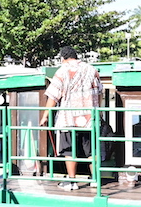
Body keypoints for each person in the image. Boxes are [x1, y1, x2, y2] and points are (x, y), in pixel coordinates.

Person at [40, 47, 101, 190]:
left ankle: (72, 182)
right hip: (89, 118)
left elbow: (53, 96)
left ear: (63, 58)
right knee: (91, 150)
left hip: (68, 119)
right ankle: (95, 180)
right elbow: (99, 92)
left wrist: (45, 116)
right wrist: (99, 112)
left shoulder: (62, 71)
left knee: (69, 151)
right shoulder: (92, 70)